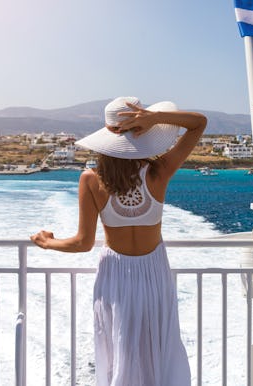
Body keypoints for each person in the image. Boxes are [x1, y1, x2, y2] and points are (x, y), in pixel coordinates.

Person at [31, 96, 206, 386]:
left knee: (119, 350)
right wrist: (155, 117)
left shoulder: (90, 180)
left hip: (116, 275)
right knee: (158, 348)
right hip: (155, 273)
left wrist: (47, 242)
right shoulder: (158, 171)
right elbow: (199, 124)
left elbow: (83, 243)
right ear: (143, 133)